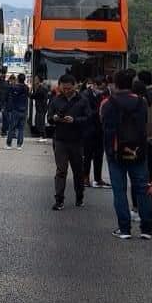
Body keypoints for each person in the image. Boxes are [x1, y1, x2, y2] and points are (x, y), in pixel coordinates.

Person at [102, 69, 152, 240]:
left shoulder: (107, 103)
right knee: (142, 189)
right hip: (138, 151)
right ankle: (147, 229)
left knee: (119, 191)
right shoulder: (142, 102)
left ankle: (124, 229)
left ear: (115, 84)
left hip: (115, 152)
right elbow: (146, 126)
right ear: (132, 83)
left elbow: (103, 124)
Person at [46, 74, 90, 210]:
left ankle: (79, 196)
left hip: (77, 140)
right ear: (60, 86)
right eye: (63, 88)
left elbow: (89, 118)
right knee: (61, 170)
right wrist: (54, 118)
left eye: (69, 88)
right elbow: (49, 118)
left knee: (78, 171)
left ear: (75, 86)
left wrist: (75, 120)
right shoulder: (55, 100)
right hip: (60, 140)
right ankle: (59, 199)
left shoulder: (83, 100)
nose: (66, 91)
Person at [82, 77, 107, 188]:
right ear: (95, 85)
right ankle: (85, 177)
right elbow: (88, 112)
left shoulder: (102, 95)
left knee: (99, 155)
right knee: (87, 154)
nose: (102, 90)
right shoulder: (85, 95)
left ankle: (98, 178)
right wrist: (100, 110)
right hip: (88, 129)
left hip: (100, 129)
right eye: (100, 88)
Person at [3, 73, 29, 148]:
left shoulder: (14, 88)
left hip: (15, 110)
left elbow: (9, 90)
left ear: (18, 79)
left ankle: (9, 144)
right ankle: (19, 145)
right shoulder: (26, 88)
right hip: (24, 110)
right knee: (21, 129)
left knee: (12, 128)